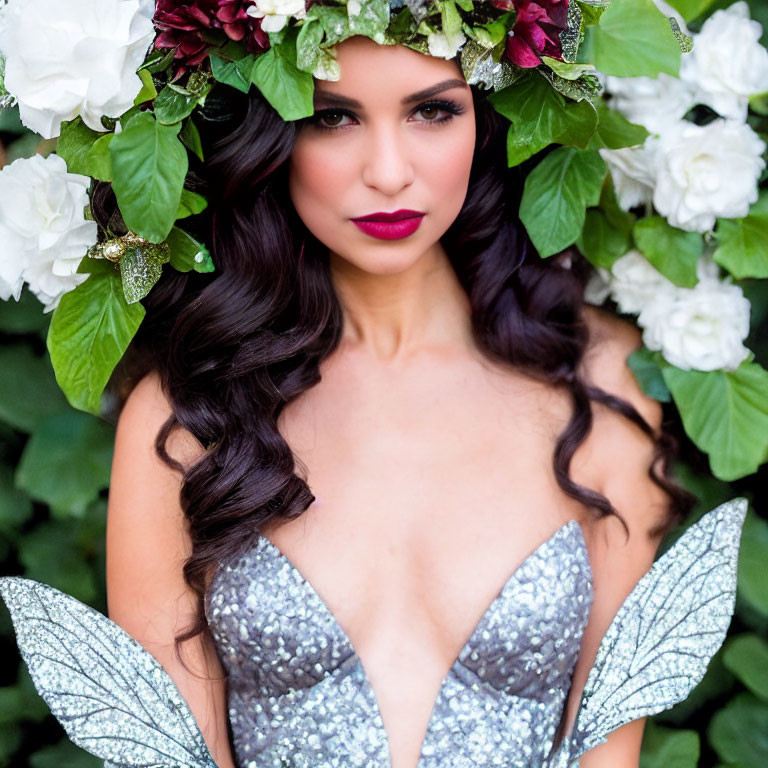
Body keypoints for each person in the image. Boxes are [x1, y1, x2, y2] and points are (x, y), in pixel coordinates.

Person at [0, 4, 747, 768]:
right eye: (333, 118)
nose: (388, 171)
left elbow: (610, 753)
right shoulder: (188, 418)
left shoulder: (598, 387)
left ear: (485, 121)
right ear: (273, 135)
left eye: (432, 110)